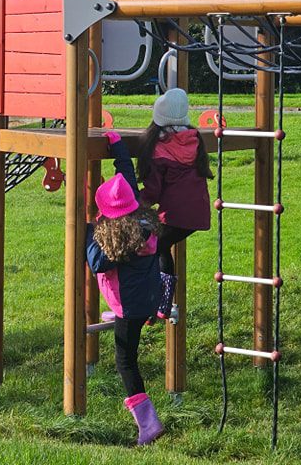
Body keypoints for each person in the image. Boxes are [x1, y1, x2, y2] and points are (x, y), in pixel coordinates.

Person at [86, 131, 164, 446]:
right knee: (127, 320)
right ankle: (125, 313)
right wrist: (116, 144)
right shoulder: (141, 220)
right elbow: (126, 177)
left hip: (130, 306)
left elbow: (96, 263)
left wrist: (88, 231)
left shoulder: (115, 243)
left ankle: (148, 424)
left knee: (125, 360)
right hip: (147, 295)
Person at [137, 87, 213, 322]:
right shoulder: (193, 138)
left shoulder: (160, 148)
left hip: (176, 215)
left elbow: (153, 192)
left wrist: (133, 202)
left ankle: (157, 304)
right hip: (197, 212)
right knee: (160, 247)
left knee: (151, 247)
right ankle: (160, 304)